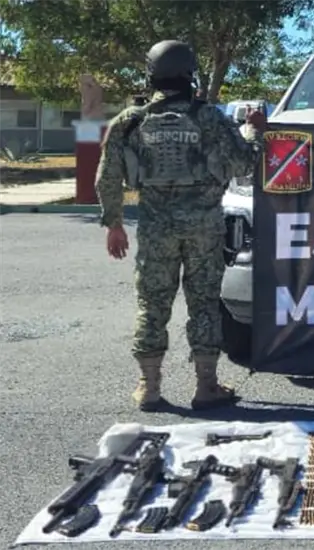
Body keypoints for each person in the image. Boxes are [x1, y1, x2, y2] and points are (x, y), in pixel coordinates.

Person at [95, 40, 266, 412]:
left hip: (157, 231)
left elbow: (107, 177)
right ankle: (206, 386)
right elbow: (244, 163)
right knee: (204, 304)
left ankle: (149, 387)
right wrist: (254, 131)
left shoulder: (130, 121)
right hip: (205, 230)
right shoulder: (209, 118)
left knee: (152, 304)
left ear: (151, 73)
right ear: (189, 74)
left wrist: (115, 225)